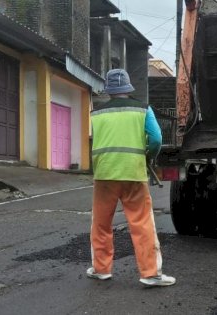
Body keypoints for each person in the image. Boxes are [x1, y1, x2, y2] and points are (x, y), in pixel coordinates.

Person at [86, 69, 175, 287]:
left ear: (109, 90)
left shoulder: (96, 113)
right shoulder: (143, 109)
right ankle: (150, 273)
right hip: (133, 173)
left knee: (101, 223)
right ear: (128, 88)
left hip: (105, 174)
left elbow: (95, 141)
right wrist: (148, 157)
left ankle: (101, 269)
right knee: (142, 222)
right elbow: (155, 139)